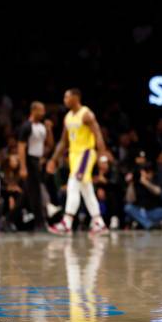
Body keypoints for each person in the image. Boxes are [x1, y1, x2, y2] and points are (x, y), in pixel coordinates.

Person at [46, 89, 110, 236]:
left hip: (86, 153)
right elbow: (63, 142)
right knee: (86, 189)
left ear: (76, 97)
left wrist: (103, 157)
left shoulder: (86, 114)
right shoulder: (68, 117)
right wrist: (53, 159)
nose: (64, 100)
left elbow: (98, 135)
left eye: (67, 97)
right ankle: (98, 221)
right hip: (74, 156)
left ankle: (66, 222)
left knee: (73, 185)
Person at [18, 101, 55, 231]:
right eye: (41, 110)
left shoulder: (42, 127)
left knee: (29, 193)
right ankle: (40, 223)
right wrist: (23, 167)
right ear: (33, 110)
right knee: (36, 193)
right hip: (29, 160)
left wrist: (49, 130)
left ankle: (9, 219)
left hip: (37, 161)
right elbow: (21, 147)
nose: (43, 113)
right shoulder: (27, 126)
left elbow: (49, 145)